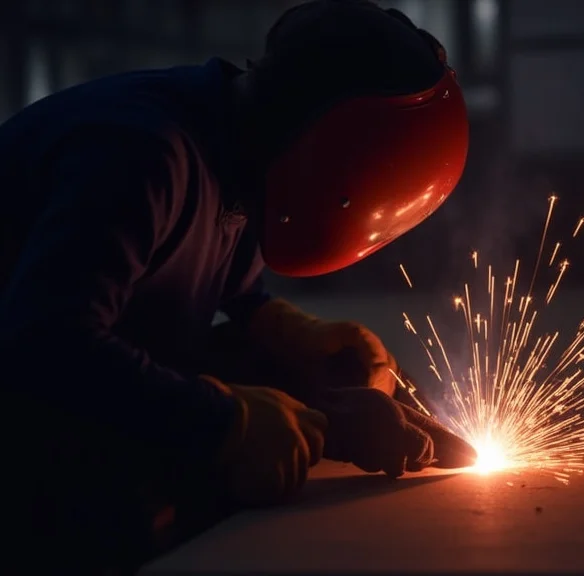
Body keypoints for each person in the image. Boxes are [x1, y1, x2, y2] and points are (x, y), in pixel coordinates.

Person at [0, 0, 476, 572]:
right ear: (337, 150)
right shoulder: (143, 156)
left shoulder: (240, 153)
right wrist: (226, 423)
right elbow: (45, 348)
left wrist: (298, 349)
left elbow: (215, 300)